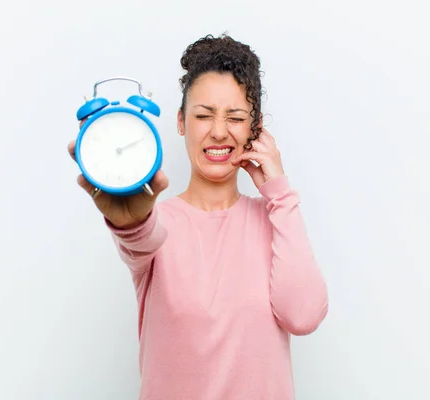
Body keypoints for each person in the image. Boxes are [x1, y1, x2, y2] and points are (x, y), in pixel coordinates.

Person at [68, 33, 329, 400]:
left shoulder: (275, 220)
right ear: (180, 121)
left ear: (254, 129)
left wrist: (281, 193)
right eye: (204, 115)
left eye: (236, 118)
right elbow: (138, 237)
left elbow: (303, 316)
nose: (219, 131)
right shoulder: (157, 223)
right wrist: (128, 222)